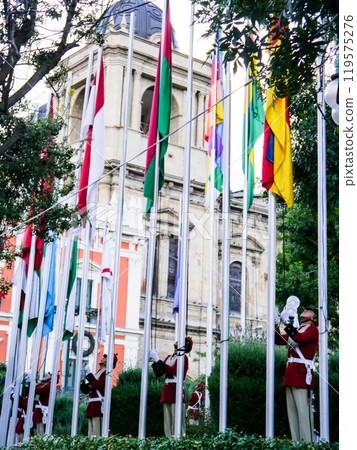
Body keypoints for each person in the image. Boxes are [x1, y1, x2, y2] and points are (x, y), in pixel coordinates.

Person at [275, 305, 319, 442]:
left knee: (304, 414)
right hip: (292, 375)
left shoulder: (313, 330)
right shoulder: (299, 328)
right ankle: (297, 444)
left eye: (310, 310)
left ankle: (307, 444)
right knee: (293, 414)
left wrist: (287, 322)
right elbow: (278, 340)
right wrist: (277, 324)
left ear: (314, 318)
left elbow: (299, 338)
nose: (305, 310)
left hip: (301, 376)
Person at [149, 337, 192, 437]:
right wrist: (155, 362)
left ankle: (178, 439)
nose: (176, 342)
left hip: (176, 390)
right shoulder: (169, 357)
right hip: (168, 390)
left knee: (176, 420)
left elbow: (172, 370)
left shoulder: (183, 357)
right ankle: (168, 440)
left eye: (178, 341)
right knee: (167, 421)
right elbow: (159, 373)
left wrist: (157, 359)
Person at [80, 353, 117, 437]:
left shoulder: (106, 373)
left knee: (96, 434)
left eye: (105, 358)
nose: (102, 359)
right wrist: (81, 382)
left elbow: (97, 385)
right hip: (92, 406)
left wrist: (89, 374)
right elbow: (86, 390)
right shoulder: (98, 373)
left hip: (98, 406)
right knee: (91, 433)